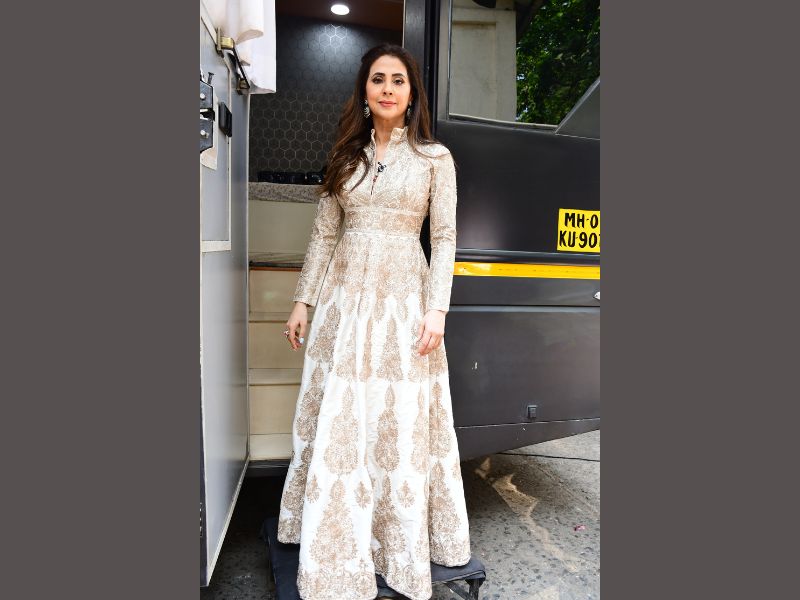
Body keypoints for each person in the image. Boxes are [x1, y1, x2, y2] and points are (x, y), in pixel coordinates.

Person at [277, 43, 471, 600]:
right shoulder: (346, 156)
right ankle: (335, 541)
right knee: (343, 415)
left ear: (412, 94)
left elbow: (445, 238)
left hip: (403, 301)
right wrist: (303, 301)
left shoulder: (435, 159)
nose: (388, 88)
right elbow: (324, 234)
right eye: (378, 79)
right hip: (344, 300)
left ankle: (395, 543)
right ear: (365, 91)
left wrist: (437, 309)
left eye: (398, 80)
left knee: (395, 419)